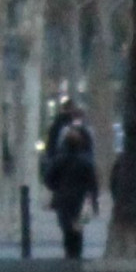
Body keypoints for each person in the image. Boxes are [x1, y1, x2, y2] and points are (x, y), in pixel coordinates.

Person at [41, 100, 101, 261]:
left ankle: (69, 250)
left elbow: (49, 178)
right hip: (81, 198)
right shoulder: (86, 162)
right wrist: (94, 200)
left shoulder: (60, 160)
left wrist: (55, 189)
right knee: (79, 226)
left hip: (63, 197)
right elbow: (93, 183)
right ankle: (77, 250)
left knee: (65, 224)